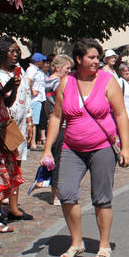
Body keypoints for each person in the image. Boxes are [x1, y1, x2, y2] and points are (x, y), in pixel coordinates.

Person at [41, 38, 129, 257]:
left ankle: (103, 243)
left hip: (101, 147)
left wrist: (126, 146)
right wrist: (47, 150)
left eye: (97, 57)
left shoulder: (107, 81)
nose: (96, 61)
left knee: (101, 197)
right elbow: (56, 117)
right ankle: (76, 242)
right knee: (66, 193)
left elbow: (121, 114)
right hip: (72, 147)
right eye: (91, 57)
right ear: (79, 59)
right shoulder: (66, 83)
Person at [0, 36, 32, 223]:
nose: (16, 55)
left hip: (20, 124)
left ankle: (14, 207)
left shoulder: (19, 71)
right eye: (12, 51)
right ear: (1, 52)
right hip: (3, 125)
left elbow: (27, 94)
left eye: (17, 51)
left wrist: (30, 120)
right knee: (1, 167)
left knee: (17, 166)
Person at [46, 55, 73, 206]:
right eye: (67, 68)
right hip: (59, 125)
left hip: (58, 124)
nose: (69, 71)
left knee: (59, 160)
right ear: (57, 67)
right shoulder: (56, 82)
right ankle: (55, 195)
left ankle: (57, 192)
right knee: (59, 160)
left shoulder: (50, 81)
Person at [25, 53, 47, 149]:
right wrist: (32, 91)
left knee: (35, 121)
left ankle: (32, 141)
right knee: (33, 122)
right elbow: (28, 80)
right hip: (34, 99)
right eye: (41, 60)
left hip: (39, 99)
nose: (43, 62)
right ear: (38, 61)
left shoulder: (37, 70)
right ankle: (32, 142)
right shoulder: (32, 70)